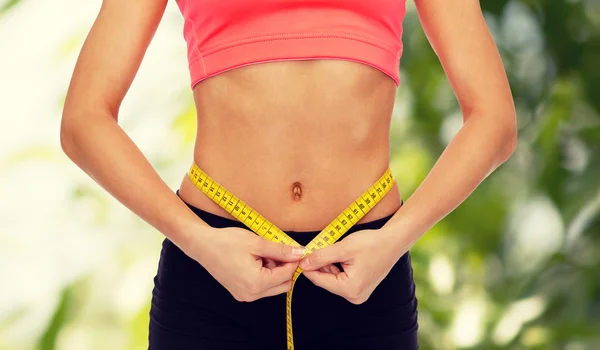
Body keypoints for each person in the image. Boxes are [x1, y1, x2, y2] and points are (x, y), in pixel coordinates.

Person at [60, 0, 517, 349]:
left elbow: (493, 121)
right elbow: (84, 120)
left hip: (367, 268)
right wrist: (198, 240)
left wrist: (393, 240)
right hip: (212, 268)